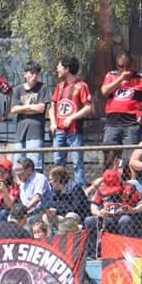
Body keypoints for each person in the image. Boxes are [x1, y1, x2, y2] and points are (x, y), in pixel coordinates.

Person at [49, 56, 93, 187]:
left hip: (74, 131)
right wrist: (52, 122)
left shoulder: (81, 86)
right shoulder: (59, 86)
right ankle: (58, 190)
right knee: (58, 161)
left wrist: (71, 118)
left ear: (67, 69)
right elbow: (52, 106)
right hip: (59, 131)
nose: (57, 69)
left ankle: (80, 191)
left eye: (59, 66)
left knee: (77, 162)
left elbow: (88, 108)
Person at [100, 51, 142, 162]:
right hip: (113, 122)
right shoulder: (111, 76)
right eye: (121, 66)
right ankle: (109, 176)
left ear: (132, 64)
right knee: (109, 155)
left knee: (130, 157)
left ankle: (130, 179)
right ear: (117, 66)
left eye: (128, 66)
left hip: (131, 123)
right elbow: (104, 91)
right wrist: (121, 79)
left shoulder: (141, 78)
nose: (125, 69)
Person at [9, 62, 50, 170]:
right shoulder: (18, 89)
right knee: (18, 165)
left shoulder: (43, 88)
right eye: (31, 73)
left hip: (35, 132)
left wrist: (22, 108)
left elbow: (41, 109)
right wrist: (32, 107)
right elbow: (13, 109)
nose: (34, 76)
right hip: (20, 132)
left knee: (34, 164)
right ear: (25, 74)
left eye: (37, 73)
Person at [90, 168, 142, 238]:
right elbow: (93, 206)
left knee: (125, 220)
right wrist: (99, 213)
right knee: (89, 220)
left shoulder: (129, 187)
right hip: (108, 217)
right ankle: (93, 248)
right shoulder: (101, 188)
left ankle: (125, 246)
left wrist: (133, 210)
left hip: (125, 216)